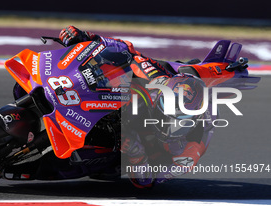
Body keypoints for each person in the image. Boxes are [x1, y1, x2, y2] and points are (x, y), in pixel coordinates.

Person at [59, 26, 214, 188]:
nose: (168, 124)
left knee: (102, 170)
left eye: (178, 121)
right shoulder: (157, 80)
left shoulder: (188, 155)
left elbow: (147, 181)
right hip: (129, 106)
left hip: (133, 153)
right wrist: (87, 37)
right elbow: (127, 50)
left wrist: (136, 154)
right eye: (165, 113)